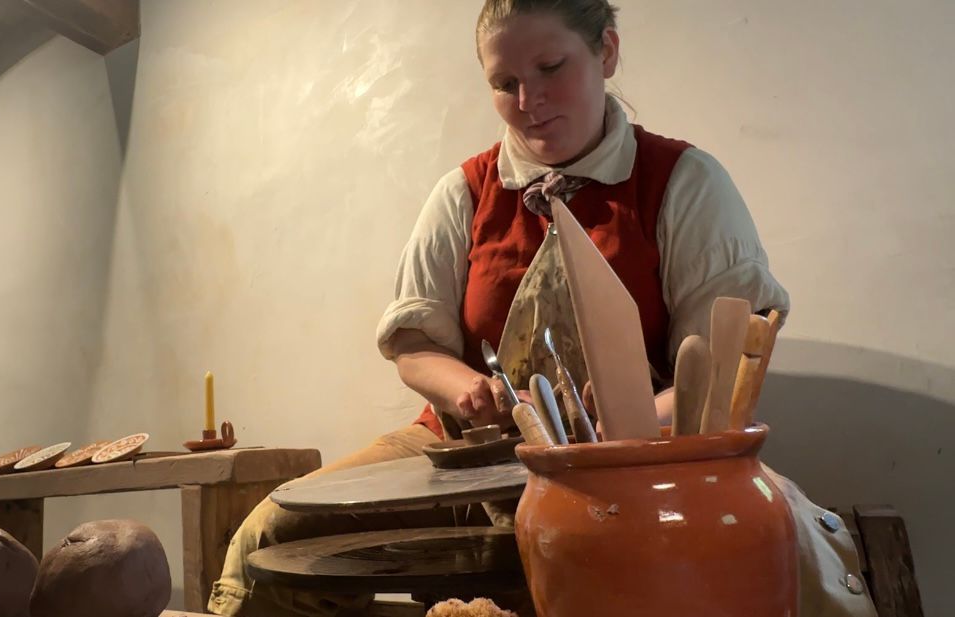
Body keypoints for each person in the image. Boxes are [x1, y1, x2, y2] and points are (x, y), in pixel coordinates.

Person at [208, 2, 875, 616]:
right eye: (504, 83)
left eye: (551, 68)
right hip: (462, 449)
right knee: (272, 530)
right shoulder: (463, 192)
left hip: (630, 453)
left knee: (703, 549)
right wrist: (465, 387)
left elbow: (718, 375)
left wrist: (618, 419)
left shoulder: (683, 181)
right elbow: (413, 343)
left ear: (605, 52)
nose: (528, 102)